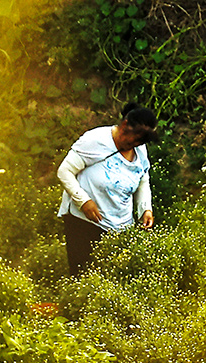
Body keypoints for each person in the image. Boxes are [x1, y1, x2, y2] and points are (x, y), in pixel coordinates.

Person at [57, 103, 158, 276]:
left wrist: (145, 209)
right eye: (135, 139)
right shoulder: (95, 140)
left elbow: (143, 178)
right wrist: (84, 201)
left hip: (120, 227)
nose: (136, 144)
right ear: (125, 126)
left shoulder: (139, 148)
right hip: (84, 222)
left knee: (116, 278)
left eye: (141, 141)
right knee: (83, 278)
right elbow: (64, 171)